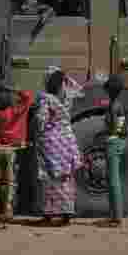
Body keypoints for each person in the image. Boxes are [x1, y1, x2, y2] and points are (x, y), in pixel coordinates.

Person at [0, 84, 35, 229]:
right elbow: (28, 98)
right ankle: (6, 213)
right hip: (10, 152)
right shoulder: (16, 112)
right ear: (11, 102)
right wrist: (14, 90)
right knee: (8, 183)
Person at [34, 69, 82, 225]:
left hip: (51, 144)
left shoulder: (46, 99)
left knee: (49, 179)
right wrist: (65, 77)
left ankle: (48, 215)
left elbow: (41, 121)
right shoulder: (67, 99)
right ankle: (67, 215)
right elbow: (77, 88)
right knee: (66, 179)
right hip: (67, 143)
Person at [103, 74, 128, 227]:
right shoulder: (120, 104)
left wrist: (110, 137)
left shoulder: (114, 106)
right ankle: (115, 216)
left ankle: (116, 217)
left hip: (114, 142)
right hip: (119, 141)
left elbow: (115, 128)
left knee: (113, 180)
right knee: (115, 179)